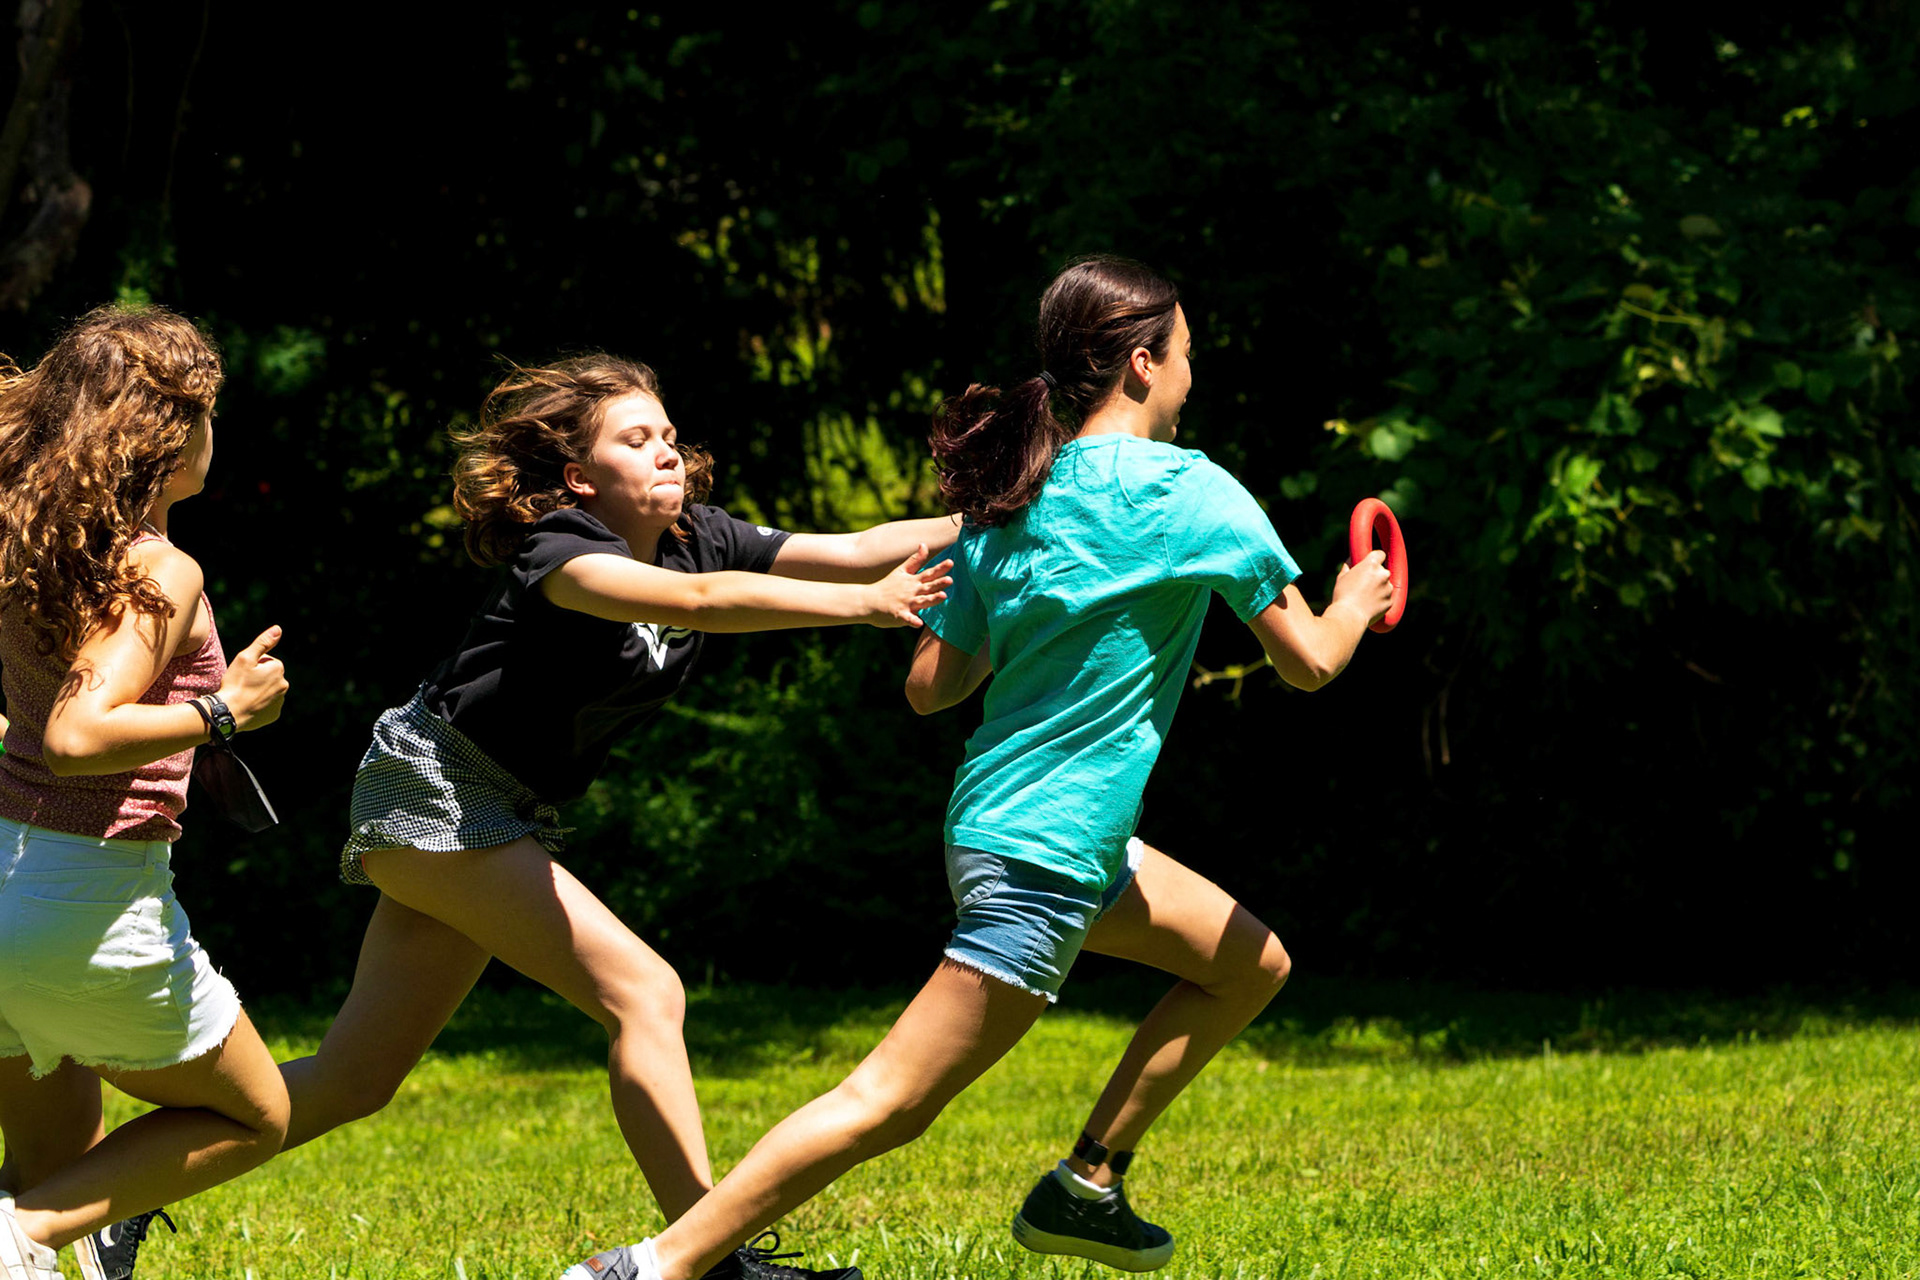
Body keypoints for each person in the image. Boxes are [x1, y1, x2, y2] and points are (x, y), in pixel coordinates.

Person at [561, 255, 1397, 1280]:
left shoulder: (1016, 500)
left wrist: (1023, 611)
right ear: (1141, 364)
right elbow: (1309, 662)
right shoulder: (1198, 494)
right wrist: (1356, 600)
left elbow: (930, 687)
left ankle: (1088, 1180)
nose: (1193, 376)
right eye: (1186, 357)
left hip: (1006, 832)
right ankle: (655, 1265)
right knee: (889, 1101)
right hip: (1048, 854)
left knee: (1249, 961)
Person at [272, 356, 957, 1280]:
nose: (668, 454)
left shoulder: (698, 535)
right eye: (637, 441)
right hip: (436, 788)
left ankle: (116, 1191)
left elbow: (858, 544)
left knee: (353, 1079)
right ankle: (707, 1260)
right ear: (582, 479)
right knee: (647, 993)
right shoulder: (562, 548)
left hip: (495, 806)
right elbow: (702, 606)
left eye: (670, 437)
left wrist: (995, 516)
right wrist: (863, 610)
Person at [0, 305, 293, 1280]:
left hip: (5, 876)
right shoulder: (155, 565)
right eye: (207, 414)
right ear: (169, 433)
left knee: (52, 1156)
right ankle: (19, 1234)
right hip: (86, 905)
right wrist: (224, 711)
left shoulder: (29, 541)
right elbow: (79, 733)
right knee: (254, 1113)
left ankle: (26, 1230)